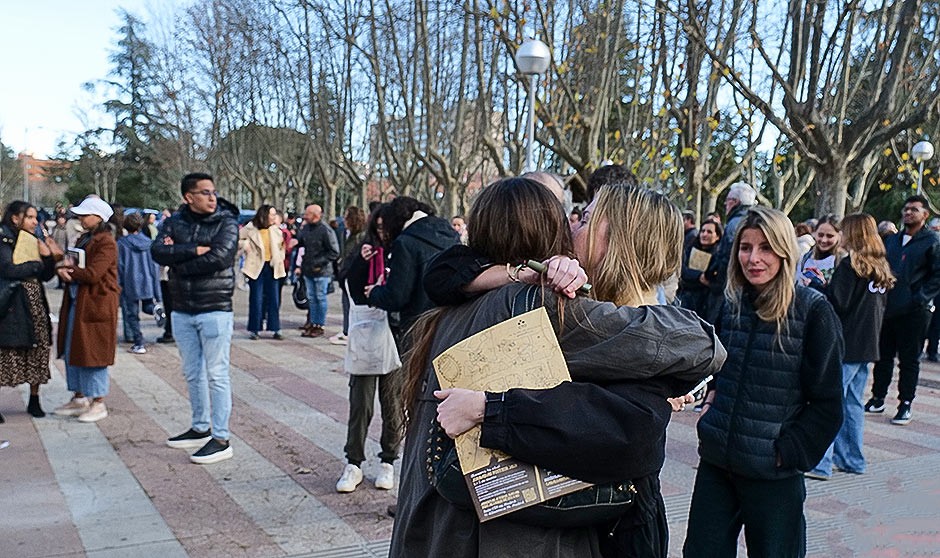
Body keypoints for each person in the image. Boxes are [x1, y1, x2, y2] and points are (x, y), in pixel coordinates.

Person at [391, 177, 725, 558]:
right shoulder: (540, 308)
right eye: (571, 218)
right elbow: (692, 348)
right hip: (509, 536)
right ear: (548, 232)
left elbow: (443, 271)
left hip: (427, 532)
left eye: (583, 218)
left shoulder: (444, 314)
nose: (573, 225)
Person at [683, 206, 844, 558]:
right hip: (717, 462)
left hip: (772, 472)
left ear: (785, 251)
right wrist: (712, 402)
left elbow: (829, 404)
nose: (753, 258)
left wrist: (787, 453)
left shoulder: (813, 310)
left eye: (766, 248)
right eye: (746, 247)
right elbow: (722, 368)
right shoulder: (732, 304)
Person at [152, 172, 239, 464]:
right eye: (204, 192)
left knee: (217, 374)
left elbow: (221, 258)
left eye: (213, 191)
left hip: (214, 308)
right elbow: (158, 251)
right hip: (182, 309)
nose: (212, 197)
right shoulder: (173, 222)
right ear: (189, 197)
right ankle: (200, 427)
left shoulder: (226, 221)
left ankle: (221, 437)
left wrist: (180, 265)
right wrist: (191, 250)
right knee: (192, 372)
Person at [805, 214, 894, 481]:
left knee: (829, 402)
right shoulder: (880, 267)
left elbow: (838, 302)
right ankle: (852, 459)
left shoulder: (850, 265)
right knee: (852, 404)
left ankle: (821, 463)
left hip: (846, 343)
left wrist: (819, 285)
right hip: (868, 345)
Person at [334, 207, 403, 493]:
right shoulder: (364, 249)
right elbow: (346, 282)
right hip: (366, 335)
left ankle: (388, 461)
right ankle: (354, 462)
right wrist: (361, 265)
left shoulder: (403, 251)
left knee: (393, 405)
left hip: (396, 337)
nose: (382, 232)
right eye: (378, 227)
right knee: (360, 403)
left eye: (386, 226)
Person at [866, 195, 940, 425]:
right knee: (883, 356)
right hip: (888, 307)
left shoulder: (932, 241)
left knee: (909, 360)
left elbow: (937, 275)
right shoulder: (892, 240)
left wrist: (920, 298)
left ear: (924, 215)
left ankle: (905, 403)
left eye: (914, 210)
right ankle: (878, 398)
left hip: (915, 312)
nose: (908, 213)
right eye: (906, 209)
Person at [53, 196, 120, 423]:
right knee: (74, 348)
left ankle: (98, 401)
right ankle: (79, 397)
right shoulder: (86, 238)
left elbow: (94, 274)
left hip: (96, 303)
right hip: (79, 301)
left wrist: (69, 272)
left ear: (98, 217)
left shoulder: (106, 242)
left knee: (93, 353)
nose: (80, 218)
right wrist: (64, 267)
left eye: (85, 215)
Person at [363, 196, 460, 343]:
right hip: (451, 322)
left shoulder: (405, 243)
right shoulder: (449, 233)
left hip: (418, 326)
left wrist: (373, 292)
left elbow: (397, 296)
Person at [0, 201, 63, 421]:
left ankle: (34, 399)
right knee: (5, 353)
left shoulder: (35, 240)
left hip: (35, 301)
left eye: (35, 218)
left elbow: (45, 276)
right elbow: (8, 269)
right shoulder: (4, 239)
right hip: (12, 303)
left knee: (38, 348)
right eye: (30, 217)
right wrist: (37, 264)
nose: (35, 222)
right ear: (15, 218)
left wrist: (48, 258)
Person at [701, 182, 757, 323]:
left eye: (727, 200)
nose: (725, 204)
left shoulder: (733, 224)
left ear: (734, 202)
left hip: (728, 287)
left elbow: (726, 257)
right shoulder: (752, 219)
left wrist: (713, 280)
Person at [239, 205, 286, 340]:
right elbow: (237, 240)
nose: (274, 217)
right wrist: (244, 245)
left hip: (273, 267)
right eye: (271, 214)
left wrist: (280, 257)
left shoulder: (276, 230)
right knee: (256, 298)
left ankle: (275, 327)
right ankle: (255, 328)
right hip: (256, 267)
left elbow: (281, 247)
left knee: (274, 299)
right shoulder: (249, 229)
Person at [118, 213, 163, 354]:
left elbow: (120, 265)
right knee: (148, 305)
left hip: (130, 280)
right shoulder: (148, 243)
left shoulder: (122, 244)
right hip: (147, 279)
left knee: (132, 314)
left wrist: (118, 283)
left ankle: (139, 342)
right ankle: (155, 309)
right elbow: (154, 264)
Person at [295, 204, 339, 338]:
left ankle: (319, 324)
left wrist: (319, 263)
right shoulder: (306, 228)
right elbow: (301, 241)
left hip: (321, 270)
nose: (305, 216)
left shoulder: (326, 230)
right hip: (308, 269)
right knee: (312, 298)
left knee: (320, 297)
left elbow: (334, 252)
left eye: (307, 214)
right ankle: (313, 322)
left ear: (316, 215)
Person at [331, 205, 367, 346]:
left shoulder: (359, 237)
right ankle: (347, 329)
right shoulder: (349, 234)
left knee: (350, 304)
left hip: (353, 275)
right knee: (346, 303)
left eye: (346, 217)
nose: (344, 220)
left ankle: (349, 331)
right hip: (346, 273)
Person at [679, 219, 723, 317]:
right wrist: (699, 276)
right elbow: (682, 271)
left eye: (709, 232)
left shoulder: (719, 256)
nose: (704, 234)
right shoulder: (689, 250)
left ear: (717, 236)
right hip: (686, 301)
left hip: (707, 305)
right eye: (702, 231)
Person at [796, 214, 841, 287]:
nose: (824, 240)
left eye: (830, 236)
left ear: (839, 236)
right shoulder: (806, 257)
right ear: (814, 233)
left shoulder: (841, 261)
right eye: (820, 235)